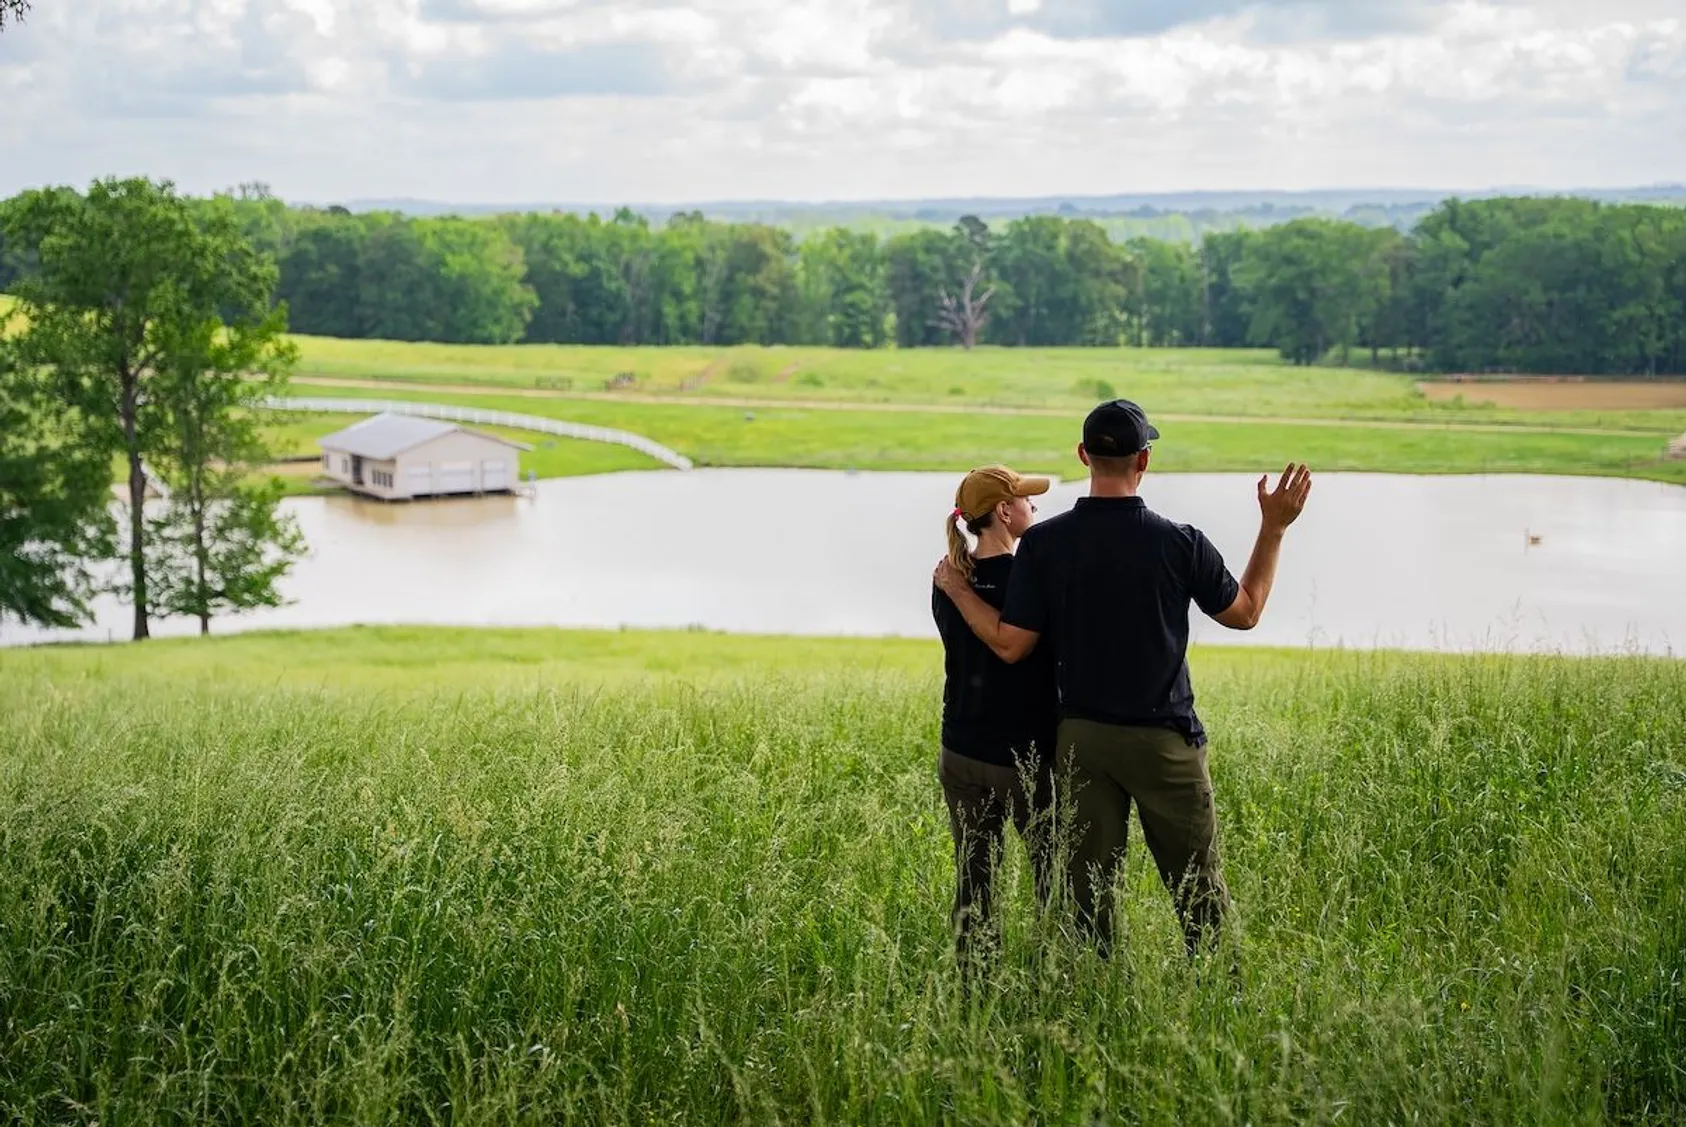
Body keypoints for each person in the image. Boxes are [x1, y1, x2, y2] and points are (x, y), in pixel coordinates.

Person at [934, 400, 1312, 958]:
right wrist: (1274, 527)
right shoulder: (1181, 542)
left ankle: (1091, 996)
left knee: (1087, 903)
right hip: (1164, 738)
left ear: (1084, 456)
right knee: (1199, 893)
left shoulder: (1043, 544)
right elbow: (1246, 611)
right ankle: (1219, 999)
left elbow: (1011, 641)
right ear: (1145, 460)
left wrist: (963, 590)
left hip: (1080, 742)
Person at [931, 464, 1061, 968]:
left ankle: (973, 982)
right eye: (1027, 500)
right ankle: (1053, 974)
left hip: (960, 749)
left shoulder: (948, 577)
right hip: (1021, 756)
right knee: (1051, 872)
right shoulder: (1032, 580)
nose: (1034, 507)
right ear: (1005, 512)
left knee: (974, 877)